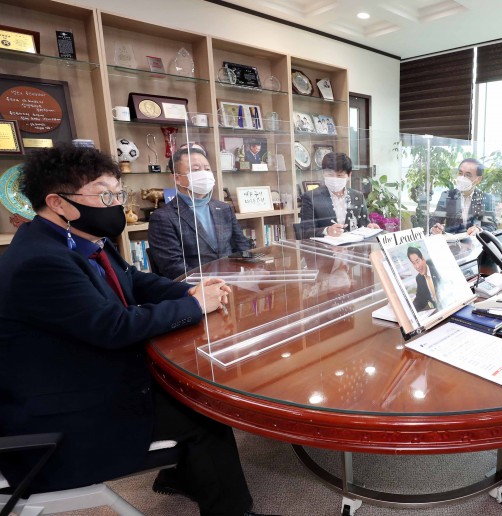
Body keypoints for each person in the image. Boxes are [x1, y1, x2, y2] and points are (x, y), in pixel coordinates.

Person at [0, 144, 275, 516]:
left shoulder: (77, 238)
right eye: (105, 195)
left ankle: (183, 477)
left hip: (82, 374)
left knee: (189, 391)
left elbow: (134, 279)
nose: (116, 204)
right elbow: (113, 326)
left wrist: (188, 291)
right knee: (204, 414)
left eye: (119, 193)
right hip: (61, 412)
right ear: (58, 202)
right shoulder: (41, 261)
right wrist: (194, 306)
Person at [149, 144, 251, 279]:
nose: (204, 174)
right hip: (196, 287)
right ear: (177, 178)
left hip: (232, 281)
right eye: (196, 170)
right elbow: (173, 267)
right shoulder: (163, 218)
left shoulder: (224, 208)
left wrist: (252, 270)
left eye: (207, 169)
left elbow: (242, 246)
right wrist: (209, 286)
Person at [299, 152, 379, 239]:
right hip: (324, 247)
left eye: (339, 175)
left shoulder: (358, 196)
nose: (334, 179)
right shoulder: (311, 197)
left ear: (349, 175)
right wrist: (327, 231)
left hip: (352, 246)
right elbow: (305, 232)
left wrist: (369, 228)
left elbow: (364, 225)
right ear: (323, 173)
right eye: (330, 175)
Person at [429, 158, 497, 236]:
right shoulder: (447, 195)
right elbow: (434, 220)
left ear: (478, 179)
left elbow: (492, 226)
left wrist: (479, 229)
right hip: (451, 241)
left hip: (474, 241)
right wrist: (434, 228)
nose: (462, 178)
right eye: (460, 173)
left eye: (468, 175)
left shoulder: (486, 198)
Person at [407, 246, 441, 311]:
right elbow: (419, 299)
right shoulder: (419, 278)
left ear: (423, 259)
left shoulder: (436, 266)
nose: (417, 266)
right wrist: (410, 310)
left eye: (418, 261)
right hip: (438, 311)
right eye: (414, 263)